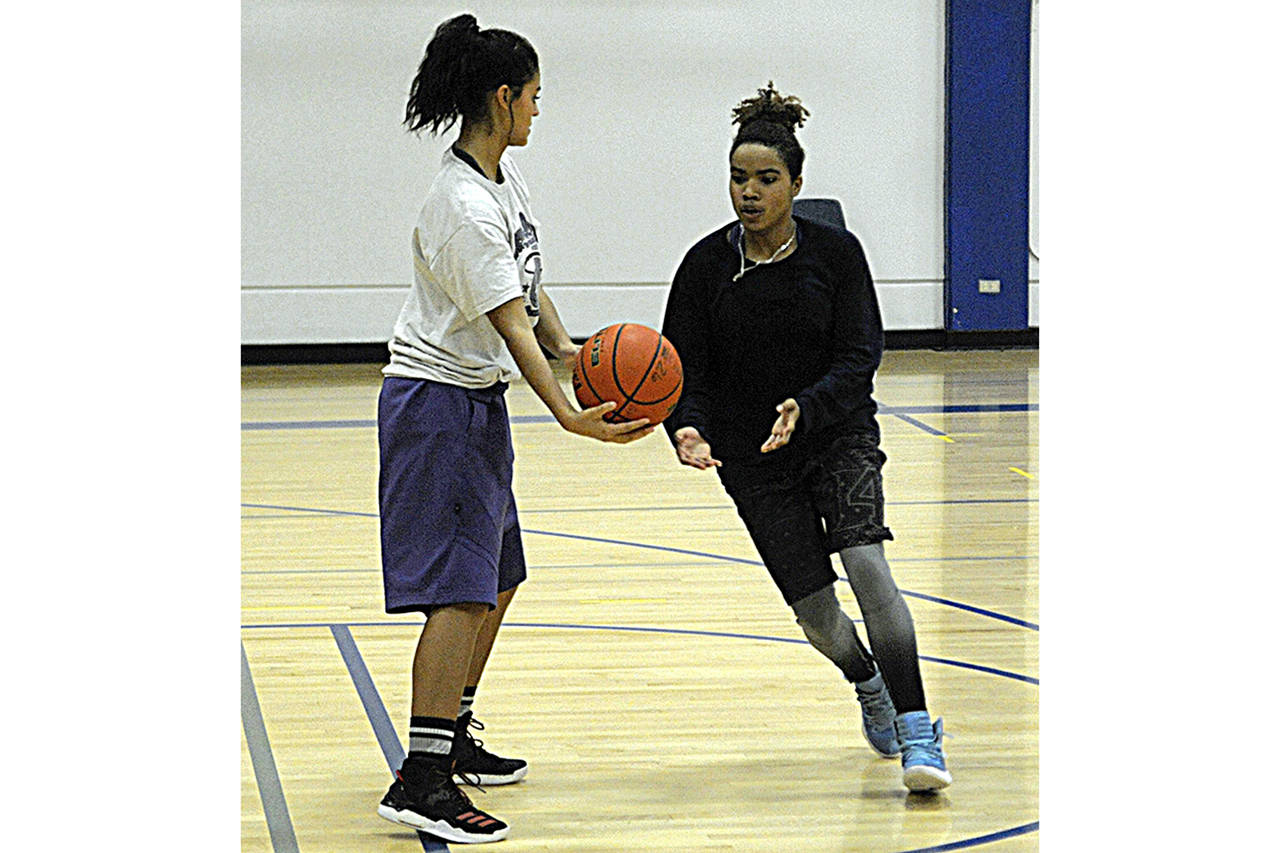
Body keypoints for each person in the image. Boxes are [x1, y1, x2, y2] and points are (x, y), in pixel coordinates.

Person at [375, 14, 653, 844]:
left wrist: (572, 348)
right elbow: (507, 325)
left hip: (474, 406)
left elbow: (528, 289)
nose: (539, 110)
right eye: (533, 96)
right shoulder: (459, 202)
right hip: (437, 407)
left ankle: (449, 732)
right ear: (504, 97)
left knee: (497, 579)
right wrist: (571, 412)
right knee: (458, 593)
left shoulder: (500, 182)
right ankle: (419, 778)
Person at [660, 83, 951, 792]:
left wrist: (808, 406)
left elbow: (860, 357)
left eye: (765, 179)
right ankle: (866, 680)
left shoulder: (836, 254)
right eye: (738, 178)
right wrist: (687, 425)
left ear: (796, 182)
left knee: (868, 564)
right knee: (820, 617)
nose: (749, 193)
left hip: (835, 434)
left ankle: (920, 731)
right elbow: (681, 367)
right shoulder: (705, 267)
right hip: (753, 460)